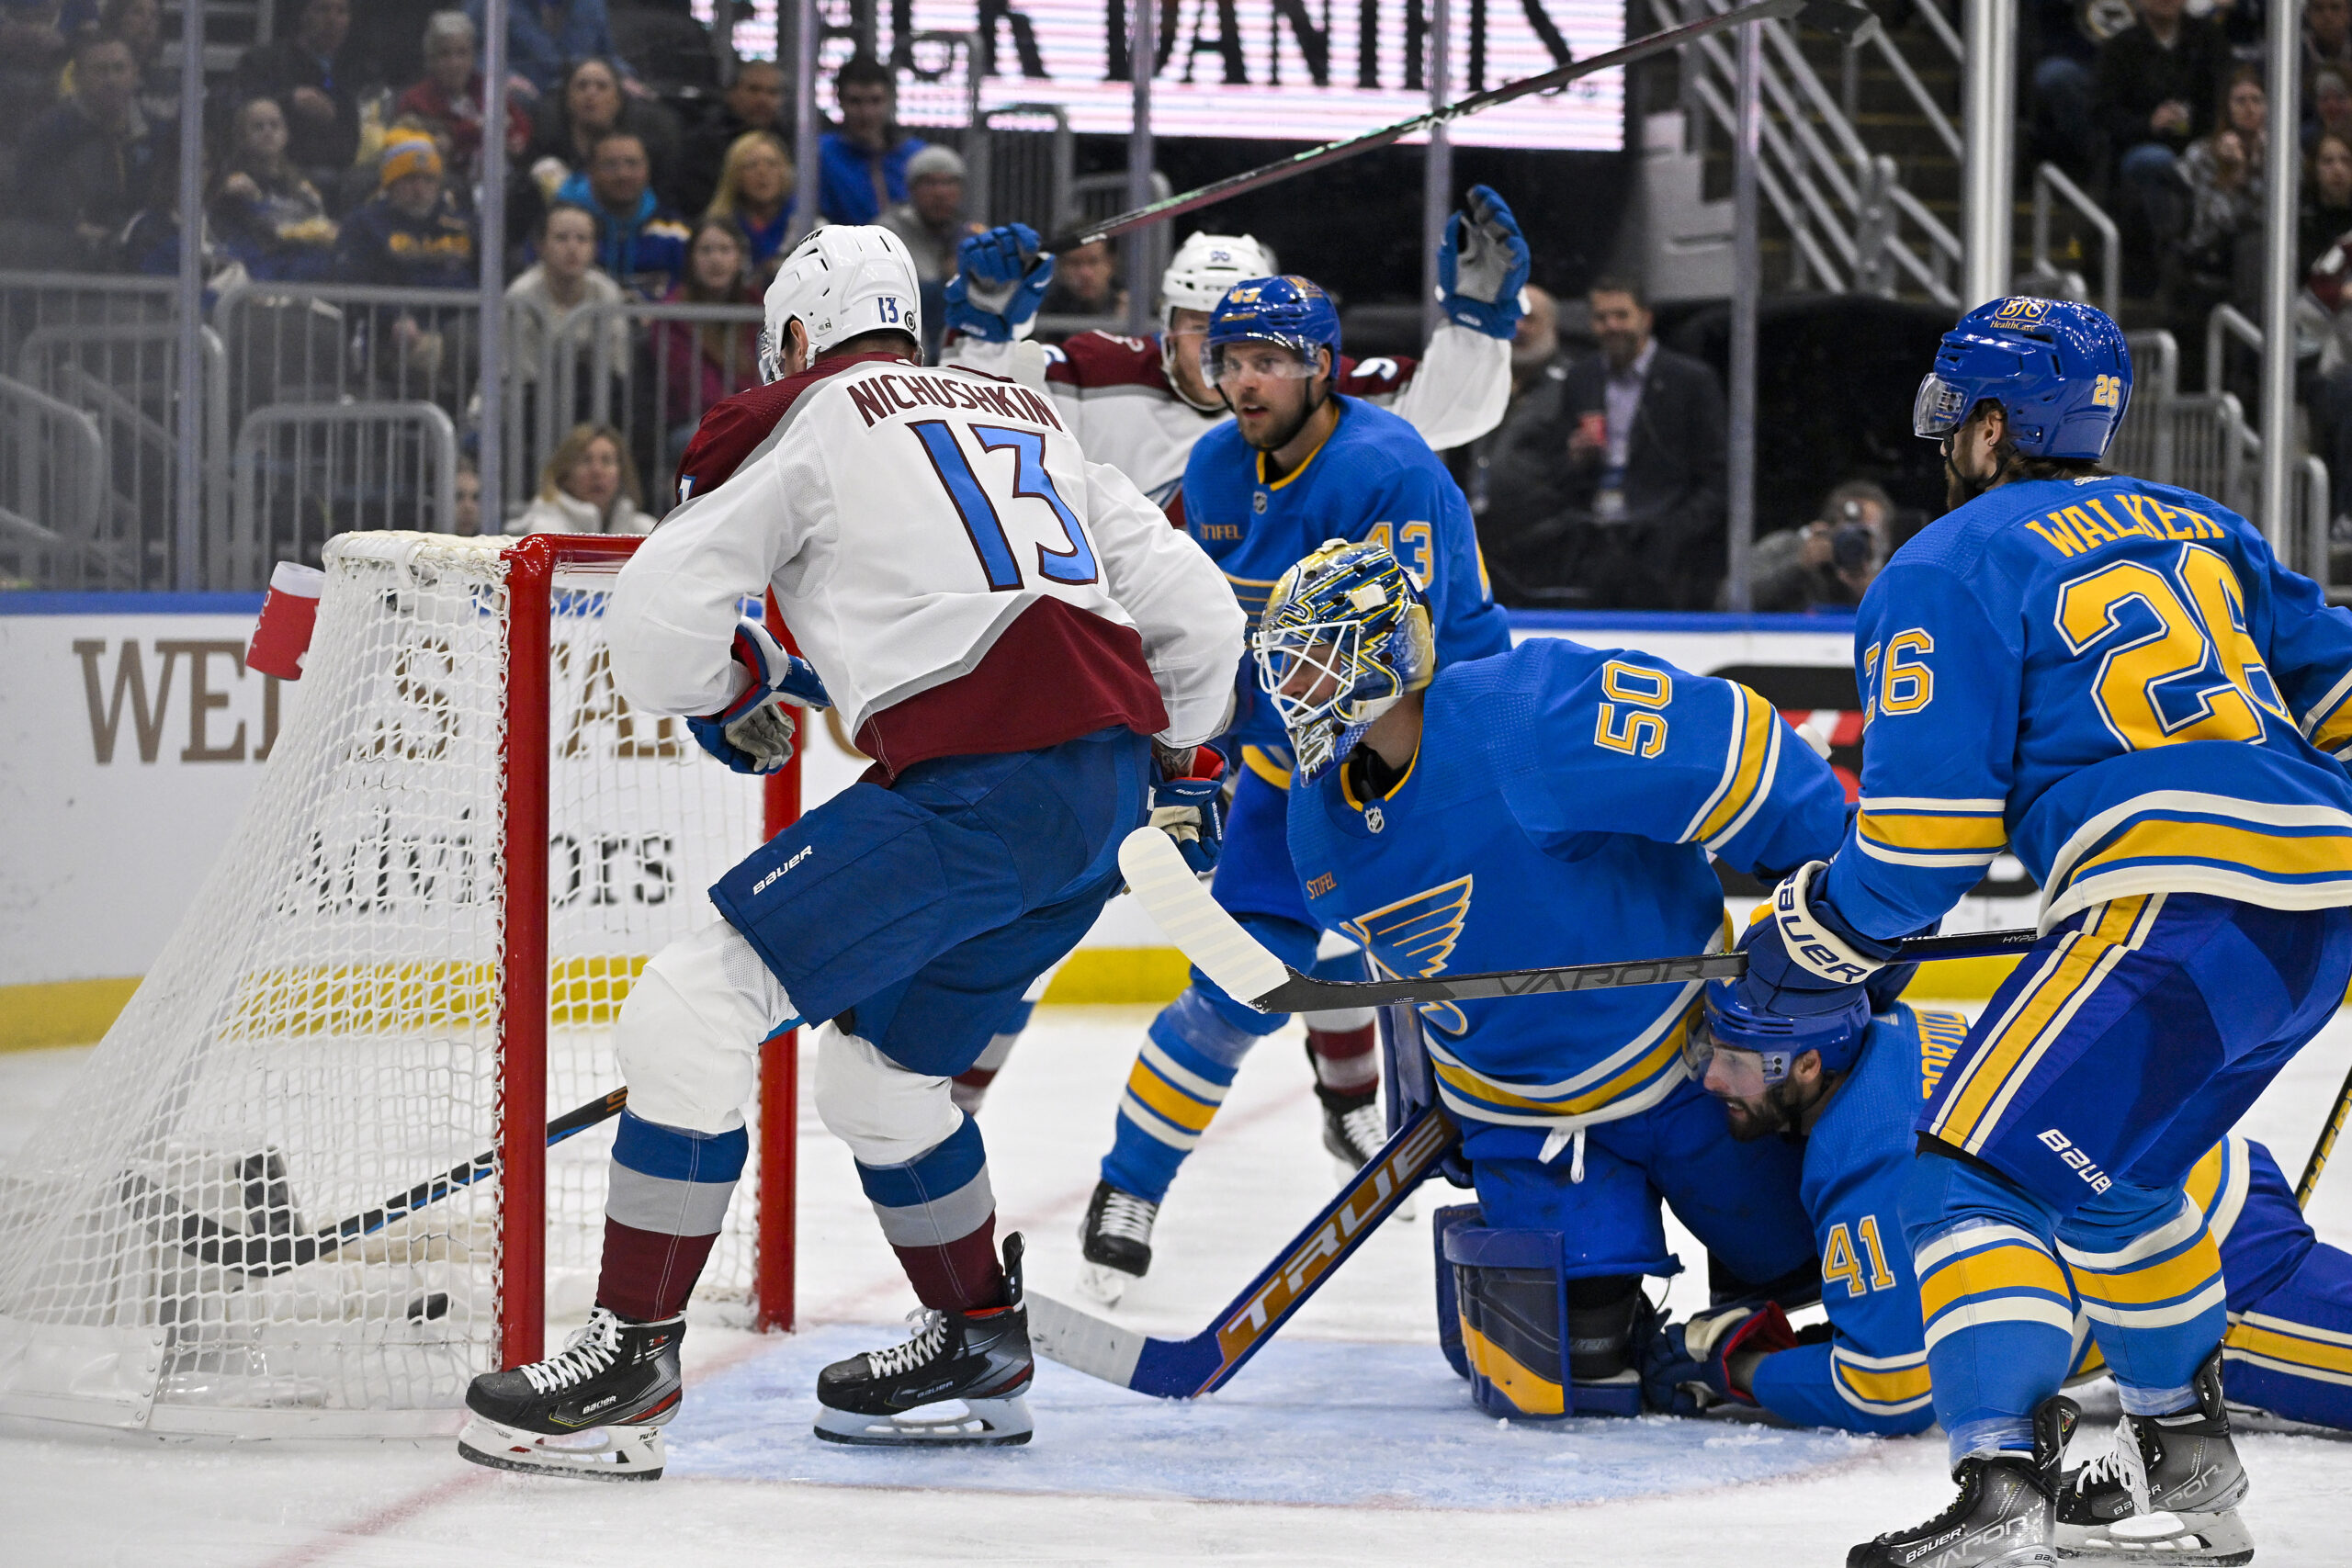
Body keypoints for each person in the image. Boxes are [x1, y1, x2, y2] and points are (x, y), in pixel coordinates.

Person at [456, 224, 1244, 1468]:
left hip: (975, 790)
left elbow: (656, 624)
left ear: (798, 338)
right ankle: (980, 1341)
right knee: (879, 1080)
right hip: (1096, 799)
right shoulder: (1026, 412)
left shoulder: (809, 413)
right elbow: (1198, 614)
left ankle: (630, 1364)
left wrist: (724, 687)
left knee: (688, 1005)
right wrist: (1182, 761)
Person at [1733, 295, 2352, 1566]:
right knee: (2117, 1186)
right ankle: (2192, 1454)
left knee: (1965, 1171)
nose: (1947, 435)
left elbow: (1918, 856)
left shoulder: (1947, 563)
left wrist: (1803, 937)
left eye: (1960, 410)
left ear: (1998, 423)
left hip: (2175, 896)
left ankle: (2003, 1491)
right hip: (2318, 903)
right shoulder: (2206, 524)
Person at [1260, 537, 1849, 1414]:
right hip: (1521, 1117)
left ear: (1391, 652)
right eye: (1288, 667)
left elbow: (1742, 753)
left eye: (1320, 659)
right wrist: (1427, 1106)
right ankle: (1676, 1338)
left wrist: (1843, 918)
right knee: (1571, 1376)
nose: (1298, 688)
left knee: (1809, 1271)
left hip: (1693, 1071)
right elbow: (1412, 981)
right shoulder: (1316, 826)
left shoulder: (1527, 716)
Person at [1070, 277, 1521, 1305]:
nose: (1241, 381)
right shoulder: (1215, 468)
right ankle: (1125, 1189)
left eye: (1266, 360)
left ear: (1321, 365)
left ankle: (1512, 1195)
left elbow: (1401, 662)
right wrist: (1191, 755)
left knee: (1476, 989)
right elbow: (1203, 634)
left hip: (1427, 760)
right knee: (1237, 988)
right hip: (1290, 760)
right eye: (1229, 361)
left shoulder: (1386, 466)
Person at [1649, 982, 2352, 1449]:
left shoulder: (1867, 1154)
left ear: (1806, 1066)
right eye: (1714, 1051)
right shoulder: (1894, 1032)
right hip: (2181, 1187)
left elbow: (1888, 1386)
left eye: (1739, 1064)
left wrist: (1740, 1368)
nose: (1712, 1081)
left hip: (2209, 1265)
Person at [940, 186, 1528, 520]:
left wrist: (1478, 325)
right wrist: (986, 332)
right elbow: (964, 428)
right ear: (1166, 325)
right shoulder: (1096, 372)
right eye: (1199, 326)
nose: (1218, 352)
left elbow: (1455, 412)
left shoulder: (1307, 391)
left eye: (1247, 340)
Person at [1481, 276, 1730, 610]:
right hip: (1596, 543)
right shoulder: (1581, 378)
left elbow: (1718, 475)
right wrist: (1575, 457)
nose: (1612, 326)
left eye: (1621, 315)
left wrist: (1673, 534)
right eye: (1601, 318)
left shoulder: (1689, 380)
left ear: (1646, 318)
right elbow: (1558, 472)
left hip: (1667, 547)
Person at [2093, 0, 2228, 276]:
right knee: (2155, 161)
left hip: (2201, 144)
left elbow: (2223, 99)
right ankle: (2168, 258)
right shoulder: (2120, 47)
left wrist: (2194, 122)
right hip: (2140, 147)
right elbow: (2104, 114)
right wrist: (2149, 124)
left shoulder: (2209, 40)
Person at [505, 201, 629, 477]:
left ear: (594, 248)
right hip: (528, 404)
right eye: (561, 238)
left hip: (594, 399)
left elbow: (615, 368)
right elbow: (522, 376)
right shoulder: (521, 295)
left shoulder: (606, 293)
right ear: (540, 246)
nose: (572, 248)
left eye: (582, 239)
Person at [14, 28, 153, 262]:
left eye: (119, 69)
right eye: (100, 70)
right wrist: (73, 227)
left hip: (138, 249)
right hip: (65, 254)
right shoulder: (47, 133)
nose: (111, 79)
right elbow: (31, 201)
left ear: (135, 73)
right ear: (77, 77)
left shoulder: (155, 131)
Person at [652, 218, 762, 468]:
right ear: (691, 258)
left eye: (725, 250)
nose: (716, 259)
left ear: (739, 258)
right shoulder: (673, 314)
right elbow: (691, 387)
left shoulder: (758, 307)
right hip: (694, 424)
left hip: (750, 417)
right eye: (706, 250)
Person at [232, 0, 360, 197]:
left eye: (342, 11)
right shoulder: (263, 62)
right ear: (303, 15)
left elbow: (350, 144)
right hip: (271, 167)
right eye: (322, 10)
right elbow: (237, 110)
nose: (332, 20)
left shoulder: (351, 70)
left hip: (332, 168)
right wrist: (289, 102)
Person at [2173, 66, 2268, 323]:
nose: (2249, 108)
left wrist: (2256, 166)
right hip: (2212, 249)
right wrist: (2234, 174)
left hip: (2268, 249)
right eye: (2240, 101)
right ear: (2227, 107)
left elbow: (2276, 217)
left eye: (2256, 100)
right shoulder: (2202, 155)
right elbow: (2215, 223)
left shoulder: (2281, 154)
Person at [395, 10, 530, 187]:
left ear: (473, 56)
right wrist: (477, 128)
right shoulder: (415, 101)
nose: (455, 63)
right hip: (448, 187)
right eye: (445, 54)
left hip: (501, 186)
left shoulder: (485, 87)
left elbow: (519, 122)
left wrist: (516, 139)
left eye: (462, 53)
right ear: (430, 59)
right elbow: (437, 145)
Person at [209, 96, 338, 282]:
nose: (268, 132)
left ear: (286, 134)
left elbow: (318, 222)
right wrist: (223, 190)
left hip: (300, 271)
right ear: (242, 137)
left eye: (274, 125)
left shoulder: (302, 186)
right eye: (258, 127)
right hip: (257, 271)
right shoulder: (230, 182)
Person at [554, 128, 689, 298]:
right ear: (590, 172)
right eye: (610, 165)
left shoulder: (674, 232)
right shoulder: (560, 230)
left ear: (647, 169)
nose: (623, 174)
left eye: (632, 163)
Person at [879, 145, 979, 361]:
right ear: (911, 189)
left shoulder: (972, 235)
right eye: (929, 183)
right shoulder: (887, 233)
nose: (940, 193)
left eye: (949, 183)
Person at [1746, 479, 1894, 613]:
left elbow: (1910, 624)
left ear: (1886, 538)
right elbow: (1731, 599)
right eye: (1845, 533)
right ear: (1826, 527)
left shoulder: (1900, 570)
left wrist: (1872, 592)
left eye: (1864, 534)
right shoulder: (1788, 548)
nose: (1853, 543)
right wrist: (1798, 566)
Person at [818, 54, 925, 226]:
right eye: (855, 102)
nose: (866, 113)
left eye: (875, 101)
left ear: (890, 100)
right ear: (839, 101)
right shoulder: (822, 155)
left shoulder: (915, 156)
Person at [674, 58, 786, 221]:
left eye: (772, 92)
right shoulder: (702, 145)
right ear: (732, 93)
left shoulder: (793, 142)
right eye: (754, 90)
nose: (763, 99)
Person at [465, 0, 629, 98]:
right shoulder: (490, 3)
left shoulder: (591, 3)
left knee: (632, 100)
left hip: (580, 94)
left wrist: (623, 76)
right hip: (526, 96)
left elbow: (607, 54)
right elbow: (468, 51)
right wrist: (503, 77)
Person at [513, 422, 650, 535]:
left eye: (607, 461)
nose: (597, 471)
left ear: (622, 473)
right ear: (565, 474)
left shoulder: (644, 530)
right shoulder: (544, 531)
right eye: (585, 460)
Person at [702, 129, 794, 282]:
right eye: (752, 165)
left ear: (784, 171)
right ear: (734, 175)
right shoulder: (714, 230)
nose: (762, 173)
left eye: (771, 164)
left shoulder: (809, 226)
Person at [1038, 236, 1124, 319]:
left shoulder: (1131, 304)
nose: (1085, 274)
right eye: (1074, 263)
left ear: (1111, 264)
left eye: (1093, 262)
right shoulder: (1042, 310)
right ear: (1060, 266)